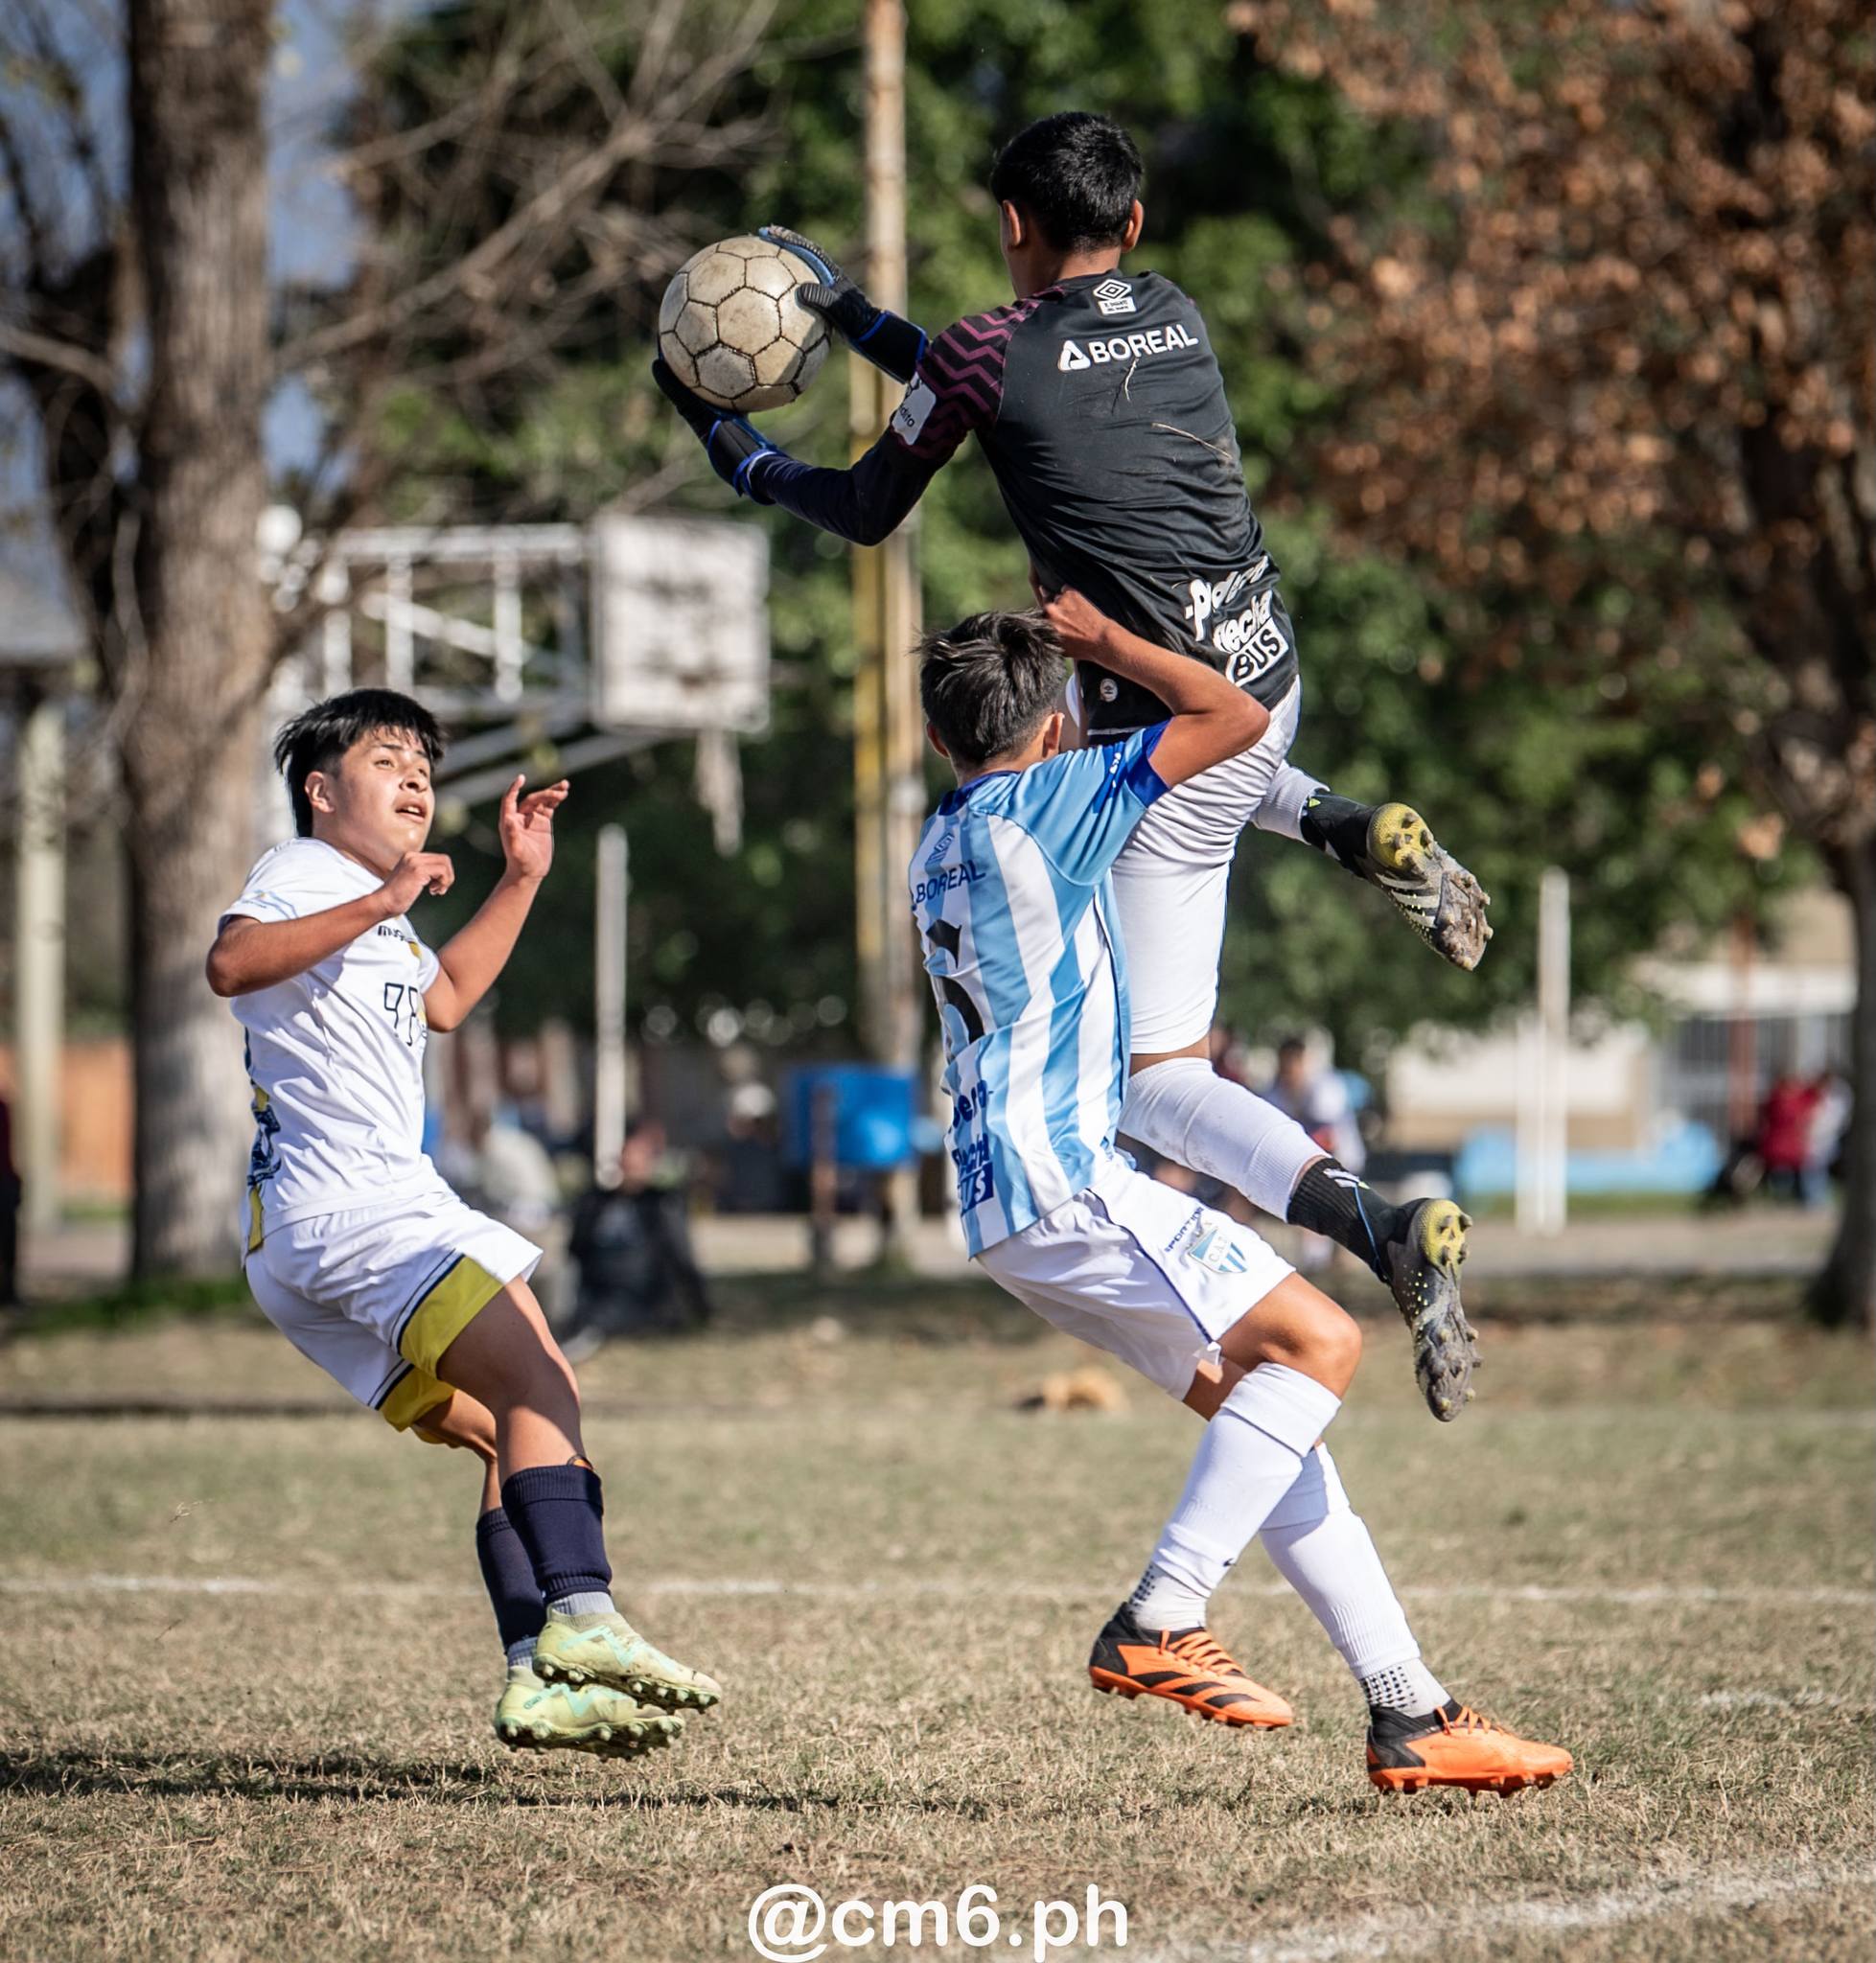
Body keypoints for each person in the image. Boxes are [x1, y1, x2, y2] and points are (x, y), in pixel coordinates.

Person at [654, 111, 1481, 1420]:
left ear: (1010, 227)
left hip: (1166, 702)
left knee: (1160, 1081)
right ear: (1133, 225)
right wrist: (856, 315)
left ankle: (1377, 1228)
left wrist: (738, 456)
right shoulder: (1179, 314)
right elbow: (979, 387)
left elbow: (875, 498)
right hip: (1264, 673)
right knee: (1192, 778)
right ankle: (1340, 823)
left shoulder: (989, 349)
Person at [908, 594, 1567, 1792]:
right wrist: (1111, 648)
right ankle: (1160, 1614)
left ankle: (1409, 1706)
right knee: (1317, 1341)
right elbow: (1237, 715)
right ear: (1057, 729)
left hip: (1009, 1199)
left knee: (1268, 1418)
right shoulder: (1056, 798)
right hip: (1067, 1180)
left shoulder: (943, 833)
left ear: (940, 743)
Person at [207, 687, 719, 1761]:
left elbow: (443, 999)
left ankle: (537, 1676)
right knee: (545, 1383)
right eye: (387, 759)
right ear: (318, 788)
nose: (414, 781)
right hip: (360, 1207)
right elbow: (232, 964)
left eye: (425, 770)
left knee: (504, 1429)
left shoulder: (365, 904)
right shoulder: (307, 871)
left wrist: (520, 877)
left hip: (300, 1234)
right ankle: (584, 1616)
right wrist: (386, 893)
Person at [560, 1119, 714, 1361]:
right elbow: (575, 1249)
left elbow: (681, 1258)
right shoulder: (596, 1202)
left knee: (599, 1322)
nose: (630, 1166)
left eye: (637, 1160)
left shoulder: (661, 1205)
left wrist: (701, 1310)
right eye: (626, 1158)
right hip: (596, 1293)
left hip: (642, 1298)